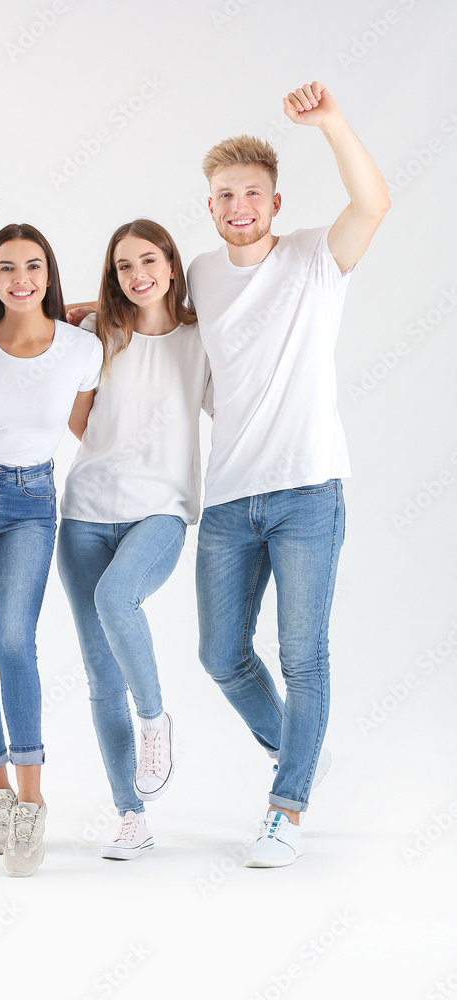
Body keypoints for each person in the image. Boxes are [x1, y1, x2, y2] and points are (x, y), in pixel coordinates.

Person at [188, 82, 390, 867]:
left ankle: (286, 808)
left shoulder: (313, 257)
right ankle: (297, 747)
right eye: (223, 195)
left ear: (275, 202)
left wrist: (332, 122)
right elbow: (149, 317)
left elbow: (372, 203)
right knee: (219, 654)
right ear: (209, 208)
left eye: (250, 193)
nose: (238, 205)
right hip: (231, 494)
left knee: (302, 653)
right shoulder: (202, 271)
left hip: (309, 488)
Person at [0, 223, 103, 876]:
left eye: (32, 266)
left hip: (31, 502)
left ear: (49, 273)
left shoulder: (79, 349)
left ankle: (33, 803)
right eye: (5, 268)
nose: (19, 279)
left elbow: (86, 426)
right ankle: (0, 798)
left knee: (15, 641)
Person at [57, 219, 211, 860]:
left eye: (148, 260)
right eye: (123, 266)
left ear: (172, 265)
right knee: (99, 674)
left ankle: (155, 719)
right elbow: (77, 418)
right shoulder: (98, 335)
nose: (137, 274)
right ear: (113, 276)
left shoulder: (203, 338)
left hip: (162, 512)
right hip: (85, 513)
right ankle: (130, 817)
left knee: (117, 599)